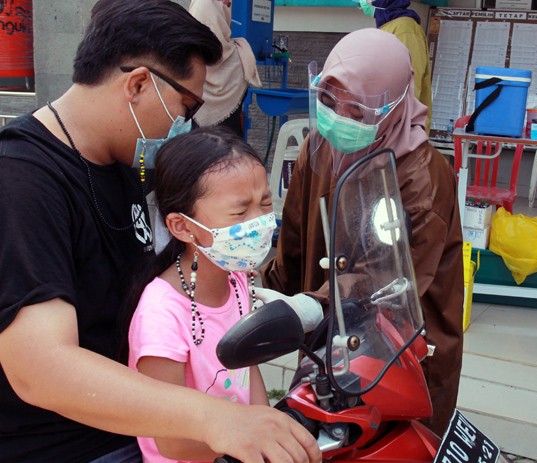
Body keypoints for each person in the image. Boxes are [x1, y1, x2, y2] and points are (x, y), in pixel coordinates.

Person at [0, 1, 320, 462]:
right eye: (185, 107)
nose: (185, 126)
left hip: (142, 427)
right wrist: (213, 418)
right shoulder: (23, 181)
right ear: (137, 84)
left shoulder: (123, 165)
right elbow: (41, 367)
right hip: (71, 445)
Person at [262, 28, 464, 436]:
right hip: (327, 331)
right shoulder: (318, 147)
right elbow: (295, 245)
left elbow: (389, 285)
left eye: (356, 108)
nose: (338, 117)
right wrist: (259, 293)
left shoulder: (422, 177)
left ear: (393, 105)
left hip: (400, 343)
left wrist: (309, 307)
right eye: (327, 99)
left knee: (394, 437)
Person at [128, 126, 323, 462]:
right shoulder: (160, 316)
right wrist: (255, 447)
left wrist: (266, 425)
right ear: (183, 226)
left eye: (264, 204)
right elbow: (171, 441)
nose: (260, 222)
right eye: (239, 212)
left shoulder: (236, 280)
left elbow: (247, 368)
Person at [357, 0, 433, 133]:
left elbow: (411, 83)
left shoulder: (405, 29)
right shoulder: (389, 26)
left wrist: (402, 129)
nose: (364, 2)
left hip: (403, 129)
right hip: (386, 125)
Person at [189, 0, 262, 136]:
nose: (229, 2)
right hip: (230, 147)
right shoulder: (242, 56)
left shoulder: (183, 65)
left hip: (197, 149)